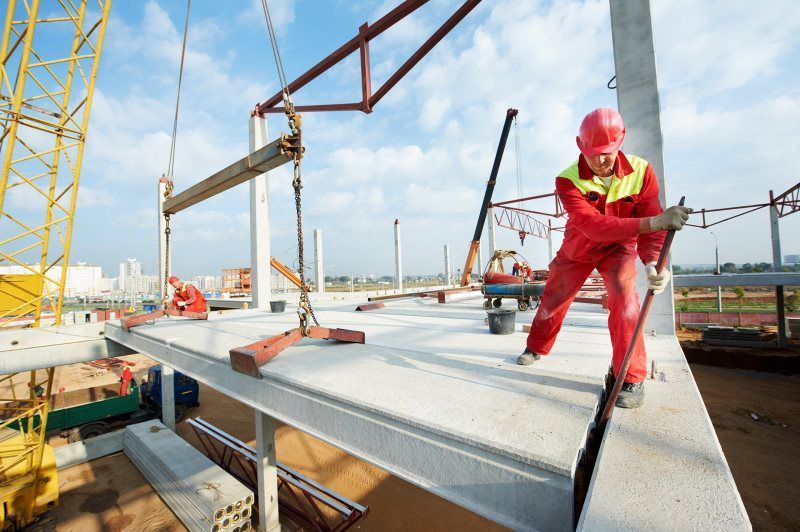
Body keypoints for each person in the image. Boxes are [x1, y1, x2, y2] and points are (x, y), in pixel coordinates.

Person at [517, 108, 691, 409]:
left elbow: (652, 226)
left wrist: (652, 263)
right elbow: (594, 227)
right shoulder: (567, 179)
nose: (600, 161)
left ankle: (631, 377)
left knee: (626, 303)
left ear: (621, 141)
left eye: (607, 153)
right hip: (578, 248)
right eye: (593, 153)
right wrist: (655, 223)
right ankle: (536, 347)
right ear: (579, 146)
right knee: (553, 299)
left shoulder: (641, 172)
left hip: (619, 248)